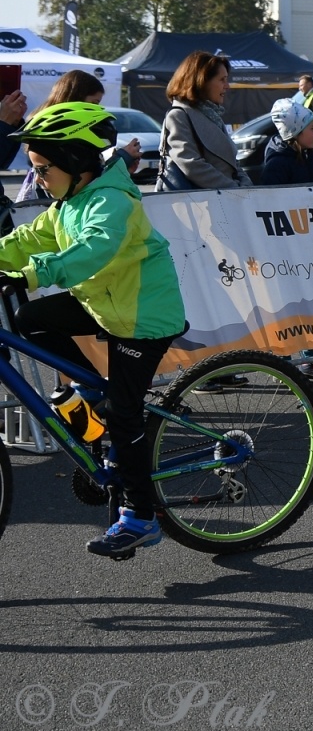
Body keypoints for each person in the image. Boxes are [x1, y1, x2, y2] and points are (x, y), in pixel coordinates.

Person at [0, 102, 184, 558]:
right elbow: (25, 240)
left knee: (124, 418)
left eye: (43, 168)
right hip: (104, 304)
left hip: (143, 317)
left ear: (78, 161)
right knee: (30, 320)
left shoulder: (111, 201)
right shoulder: (68, 203)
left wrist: (32, 275)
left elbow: (92, 250)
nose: (36, 177)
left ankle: (141, 518)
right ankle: (91, 387)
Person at [261, 98, 313, 383]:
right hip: (286, 248)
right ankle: (283, 364)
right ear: (294, 133)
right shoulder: (277, 163)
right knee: (289, 307)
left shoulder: (309, 154)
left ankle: (309, 361)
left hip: (309, 243)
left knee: (310, 304)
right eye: (309, 127)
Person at [18, 71, 135, 201]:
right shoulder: (63, 129)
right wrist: (121, 160)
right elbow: (88, 176)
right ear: (77, 97)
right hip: (60, 197)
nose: (97, 108)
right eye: (94, 102)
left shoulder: (43, 119)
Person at [158, 51, 247, 190]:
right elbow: (191, 164)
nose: (227, 86)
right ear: (202, 82)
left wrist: (246, 186)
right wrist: (233, 188)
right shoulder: (178, 115)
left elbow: (233, 164)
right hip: (200, 205)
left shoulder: (212, 115)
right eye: (222, 80)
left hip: (226, 200)